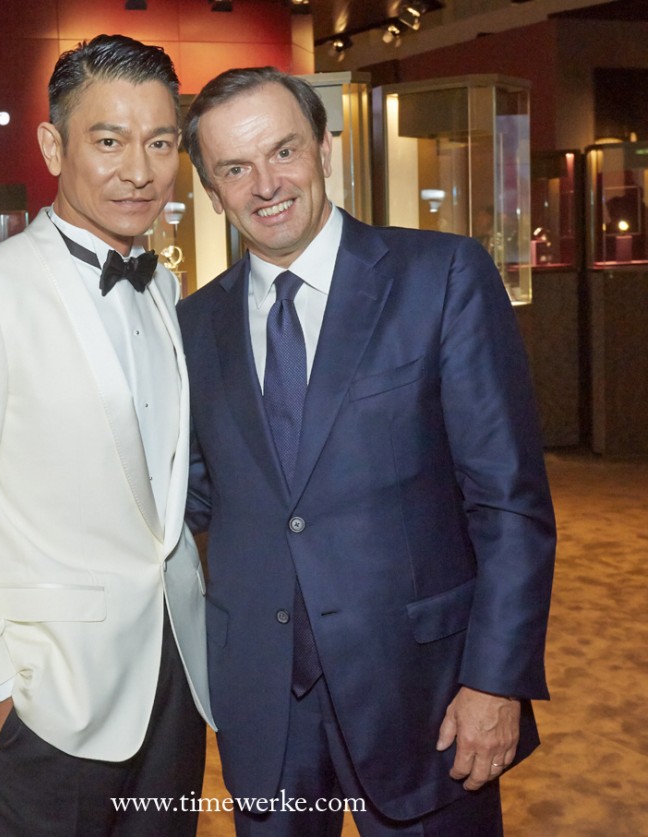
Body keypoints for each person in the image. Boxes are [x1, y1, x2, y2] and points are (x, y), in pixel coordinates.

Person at [177, 67, 555, 836]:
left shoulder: (441, 276)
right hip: (265, 704)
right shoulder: (190, 327)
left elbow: (508, 501)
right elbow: (192, 498)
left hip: (429, 696)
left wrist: (495, 681)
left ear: (325, 149)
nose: (266, 184)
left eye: (283, 151)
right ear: (212, 192)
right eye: (235, 168)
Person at [0, 34, 213, 836]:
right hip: (54, 694)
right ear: (52, 144)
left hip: (176, 671)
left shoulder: (164, 284)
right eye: (107, 141)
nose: (137, 170)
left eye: (159, 142)